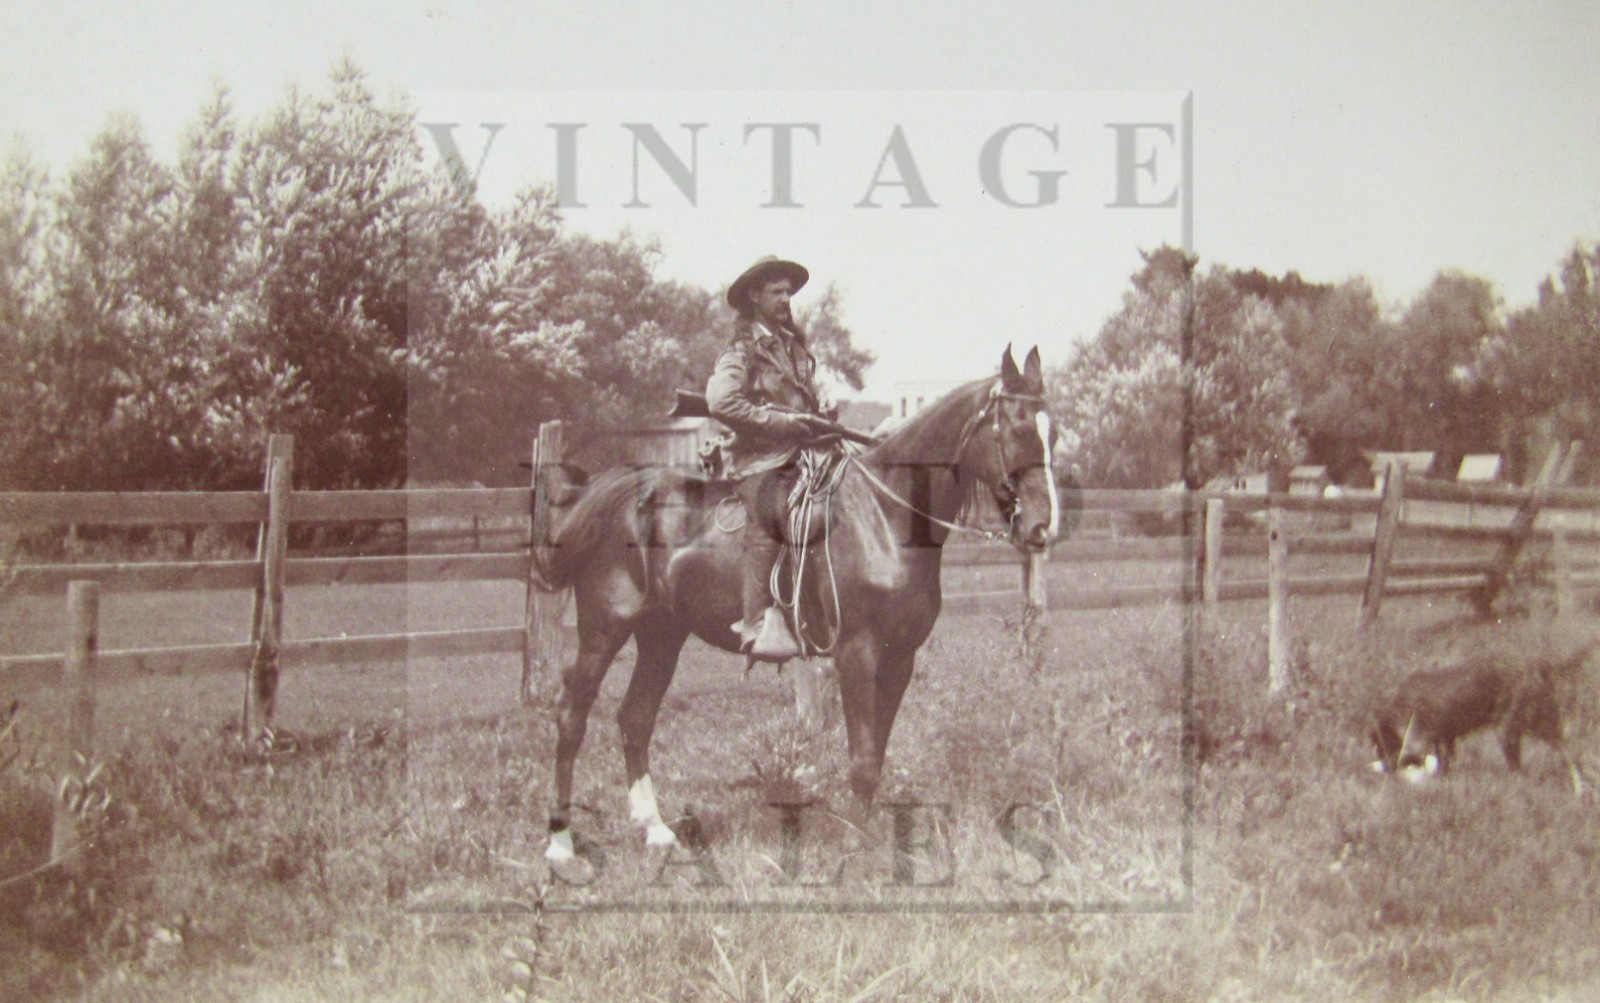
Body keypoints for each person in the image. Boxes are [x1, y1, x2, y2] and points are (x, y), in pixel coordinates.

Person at [705, 256, 837, 662]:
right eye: (776, 292)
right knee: (772, 512)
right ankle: (756, 622)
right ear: (754, 297)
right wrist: (782, 423)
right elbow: (722, 401)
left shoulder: (792, 347)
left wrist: (820, 414)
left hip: (802, 456)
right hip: (758, 462)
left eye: (788, 292)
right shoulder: (741, 351)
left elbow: (799, 404)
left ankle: (819, 610)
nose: (785, 299)